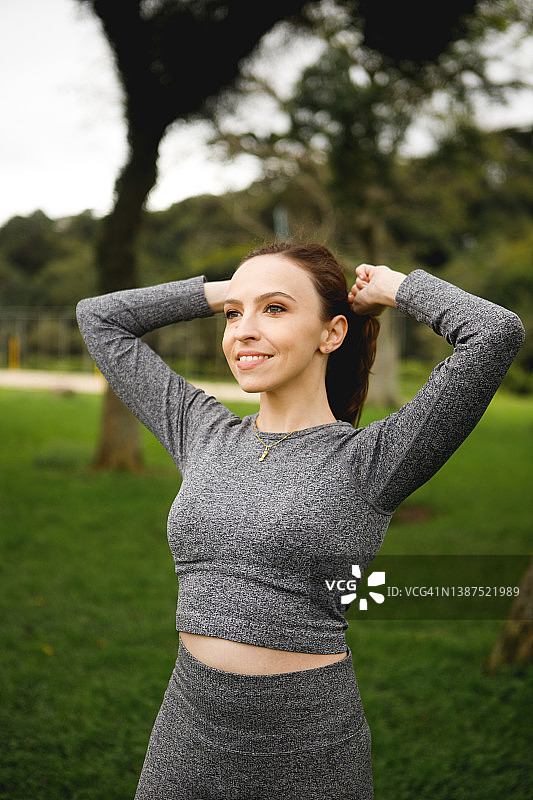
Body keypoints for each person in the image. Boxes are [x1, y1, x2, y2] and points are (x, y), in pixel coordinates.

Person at [76, 242, 524, 800]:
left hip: (308, 748)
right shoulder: (202, 431)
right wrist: (225, 293)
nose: (243, 329)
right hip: (185, 732)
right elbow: (99, 318)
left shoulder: (373, 460)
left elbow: (495, 333)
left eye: (277, 309)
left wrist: (393, 287)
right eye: (236, 315)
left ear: (331, 334)